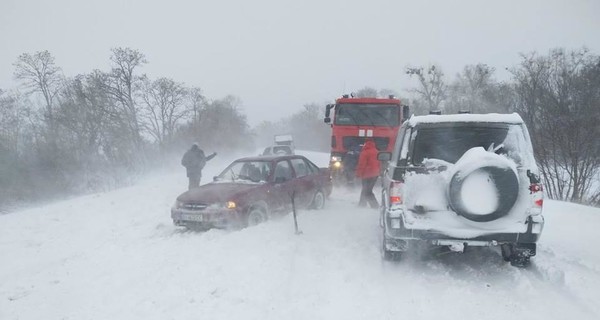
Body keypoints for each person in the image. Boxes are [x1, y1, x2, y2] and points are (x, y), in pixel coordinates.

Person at [355, 139, 380, 208]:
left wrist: (358, 174)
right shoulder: (377, 152)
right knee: (365, 189)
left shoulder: (365, 152)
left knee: (367, 191)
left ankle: (375, 206)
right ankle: (362, 204)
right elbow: (379, 164)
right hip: (375, 175)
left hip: (367, 175)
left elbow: (361, 164)